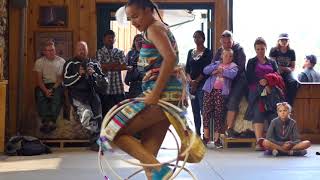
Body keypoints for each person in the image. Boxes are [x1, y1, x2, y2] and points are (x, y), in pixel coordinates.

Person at [105, 0, 189, 179]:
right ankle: (156, 170)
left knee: (114, 132)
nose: (133, 22)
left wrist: (155, 93)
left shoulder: (153, 29)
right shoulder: (157, 28)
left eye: (136, 16)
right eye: (129, 19)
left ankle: (158, 169)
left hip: (162, 96)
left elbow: (170, 58)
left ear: (149, 10)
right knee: (148, 152)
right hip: (168, 95)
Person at [63, 41, 104, 151]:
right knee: (87, 115)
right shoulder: (69, 63)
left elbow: (104, 82)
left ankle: (97, 142)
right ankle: (97, 139)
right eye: (79, 49)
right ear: (75, 50)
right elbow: (65, 81)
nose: (82, 51)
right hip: (77, 95)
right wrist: (78, 75)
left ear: (87, 50)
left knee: (98, 115)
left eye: (84, 49)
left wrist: (94, 75)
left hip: (92, 94)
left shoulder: (94, 64)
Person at [245, 37, 284, 151]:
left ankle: (275, 141)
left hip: (271, 90)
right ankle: (259, 141)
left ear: (266, 48)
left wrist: (268, 82)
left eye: (262, 49)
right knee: (258, 110)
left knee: (274, 111)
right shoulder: (251, 61)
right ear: (255, 50)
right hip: (257, 90)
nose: (260, 51)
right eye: (258, 49)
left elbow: (277, 76)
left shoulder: (272, 61)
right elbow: (250, 77)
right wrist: (262, 83)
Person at [212, 30, 247, 138]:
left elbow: (240, 68)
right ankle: (217, 132)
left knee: (232, 100)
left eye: (229, 42)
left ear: (233, 41)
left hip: (238, 79)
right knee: (219, 101)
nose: (227, 44)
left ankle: (229, 129)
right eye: (224, 43)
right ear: (221, 42)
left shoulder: (240, 50)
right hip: (223, 79)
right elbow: (214, 64)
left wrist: (227, 73)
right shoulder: (219, 51)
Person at [202, 49, 238, 148]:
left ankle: (217, 140)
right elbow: (205, 70)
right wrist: (216, 67)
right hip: (209, 90)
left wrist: (222, 71)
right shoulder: (216, 63)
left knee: (218, 114)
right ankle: (206, 137)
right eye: (226, 55)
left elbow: (232, 75)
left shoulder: (233, 66)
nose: (228, 58)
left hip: (221, 93)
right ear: (221, 56)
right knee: (206, 112)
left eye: (230, 56)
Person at [33, 40, 65, 133]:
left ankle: (51, 120)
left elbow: (60, 79)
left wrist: (52, 89)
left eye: (52, 50)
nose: (51, 52)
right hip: (43, 84)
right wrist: (46, 91)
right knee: (39, 93)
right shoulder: (39, 62)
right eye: (48, 50)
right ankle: (46, 121)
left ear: (55, 50)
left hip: (56, 84)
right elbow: (39, 80)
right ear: (44, 52)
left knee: (57, 95)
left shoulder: (61, 61)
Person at [185, 30, 212, 136]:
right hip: (191, 84)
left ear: (203, 39)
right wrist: (190, 80)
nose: (196, 39)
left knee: (203, 110)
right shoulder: (190, 52)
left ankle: (206, 135)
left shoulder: (208, 52)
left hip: (202, 83)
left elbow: (206, 68)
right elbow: (187, 68)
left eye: (199, 37)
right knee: (195, 110)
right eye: (195, 37)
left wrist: (197, 82)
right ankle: (197, 134)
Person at [96, 30, 128, 116]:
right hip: (105, 88)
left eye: (112, 38)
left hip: (118, 88)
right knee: (106, 113)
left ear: (114, 39)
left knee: (121, 113)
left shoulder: (119, 52)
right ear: (104, 40)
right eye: (108, 38)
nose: (110, 40)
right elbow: (100, 67)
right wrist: (116, 63)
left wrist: (107, 66)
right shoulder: (100, 52)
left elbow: (124, 66)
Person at [269, 33, 298, 106]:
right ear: (278, 41)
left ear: (288, 41)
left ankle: (288, 105)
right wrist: (279, 69)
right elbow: (271, 65)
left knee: (293, 82)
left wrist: (286, 69)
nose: (284, 41)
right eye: (282, 40)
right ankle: (277, 105)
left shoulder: (291, 52)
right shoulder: (274, 50)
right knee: (276, 82)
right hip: (276, 71)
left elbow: (293, 67)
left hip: (287, 72)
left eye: (286, 40)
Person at [124, 34, 144, 98]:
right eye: (136, 40)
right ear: (134, 42)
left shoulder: (146, 53)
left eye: (140, 40)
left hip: (144, 83)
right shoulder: (130, 53)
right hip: (133, 83)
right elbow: (125, 65)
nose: (138, 42)